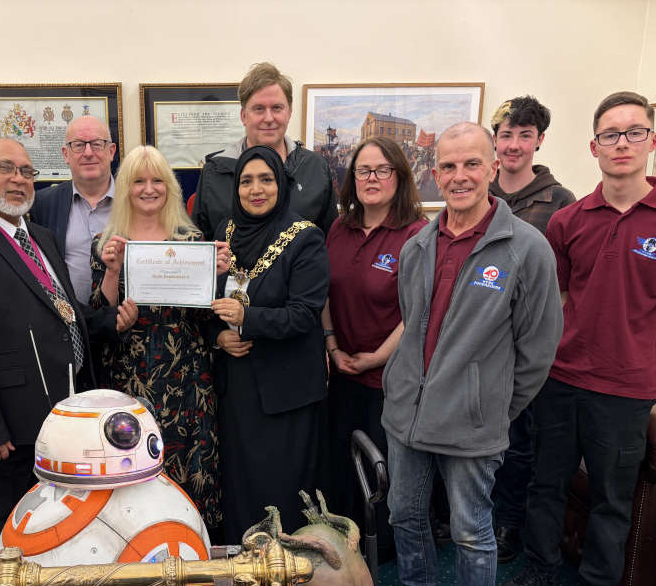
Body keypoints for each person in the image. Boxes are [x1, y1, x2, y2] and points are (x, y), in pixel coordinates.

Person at [497, 92, 656, 586]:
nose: (622, 144)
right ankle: (540, 566)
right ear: (594, 147)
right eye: (611, 134)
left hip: (627, 390)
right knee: (546, 482)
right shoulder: (568, 221)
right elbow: (557, 302)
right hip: (561, 379)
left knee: (612, 497)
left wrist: (648, 382)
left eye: (634, 132)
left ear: (653, 141)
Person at [379, 123, 562, 586]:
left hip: (473, 424)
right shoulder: (417, 245)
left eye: (471, 164)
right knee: (405, 513)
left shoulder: (525, 248)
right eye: (449, 166)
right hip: (407, 415)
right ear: (436, 173)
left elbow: (538, 348)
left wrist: (492, 406)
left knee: (470, 530)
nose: (460, 176)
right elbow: (413, 325)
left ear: (492, 169)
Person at [0, 138, 137, 564]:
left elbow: (63, 313)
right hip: (8, 429)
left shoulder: (40, 237)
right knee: (7, 536)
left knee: (55, 531)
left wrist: (107, 321)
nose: (19, 180)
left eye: (26, 171)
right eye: (6, 168)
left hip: (61, 416)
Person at [91, 146, 228, 533]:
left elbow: (207, 317)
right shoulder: (107, 243)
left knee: (192, 470)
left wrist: (217, 277)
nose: (149, 189)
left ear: (169, 187)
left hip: (188, 378)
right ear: (126, 188)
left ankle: (195, 549)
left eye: (157, 181)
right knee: (135, 471)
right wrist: (112, 272)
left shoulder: (192, 240)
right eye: (138, 181)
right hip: (131, 376)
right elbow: (98, 316)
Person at [208, 145, 329, 542]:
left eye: (266, 179)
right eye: (246, 181)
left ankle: (286, 569)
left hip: (286, 390)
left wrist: (248, 319)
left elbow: (304, 314)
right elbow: (206, 301)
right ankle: (244, 565)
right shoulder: (224, 233)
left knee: (282, 488)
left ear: (282, 184)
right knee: (240, 483)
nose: (256, 189)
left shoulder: (306, 237)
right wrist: (219, 336)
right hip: (237, 388)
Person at [320, 136, 426, 552]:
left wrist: (378, 357)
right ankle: (343, 543)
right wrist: (333, 347)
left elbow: (419, 309)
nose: (372, 178)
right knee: (341, 464)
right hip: (341, 371)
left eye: (383, 170)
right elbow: (323, 293)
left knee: (383, 469)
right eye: (363, 170)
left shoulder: (417, 234)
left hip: (390, 378)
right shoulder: (338, 228)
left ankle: (380, 554)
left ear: (399, 176)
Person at [487, 96, 576, 563]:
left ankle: (507, 523)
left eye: (525, 136)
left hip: (525, 342)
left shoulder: (559, 203)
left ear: (539, 141)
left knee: (517, 439)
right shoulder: (479, 191)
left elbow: (565, 282)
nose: (514, 145)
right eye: (506, 135)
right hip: (479, 339)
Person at [192, 62, 337, 240]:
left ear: (289, 113)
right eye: (259, 109)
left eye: (277, 108)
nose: (268, 118)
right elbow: (200, 246)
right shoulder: (214, 172)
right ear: (243, 116)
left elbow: (330, 241)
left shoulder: (315, 168)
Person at [30, 115, 116, 304]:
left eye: (97, 144)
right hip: (67, 318)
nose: (88, 153)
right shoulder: (43, 203)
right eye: (78, 145)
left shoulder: (134, 200)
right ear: (65, 154)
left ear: (111, 151)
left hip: (126, 318)